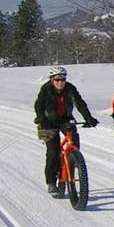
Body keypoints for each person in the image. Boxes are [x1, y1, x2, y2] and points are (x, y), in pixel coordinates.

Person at [34, 65, 99, 194]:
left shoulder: (70, 88)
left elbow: (80, 103)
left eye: (62, 79)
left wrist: (89, 118)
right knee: (53, 151)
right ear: (52, 80)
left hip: (65, 119)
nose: (60, 82)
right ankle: (52, 181)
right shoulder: (46, 89)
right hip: (48, 121)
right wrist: (42, 119)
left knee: (74, 144)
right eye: (57, 80)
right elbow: (38, 106)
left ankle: (71, 164)